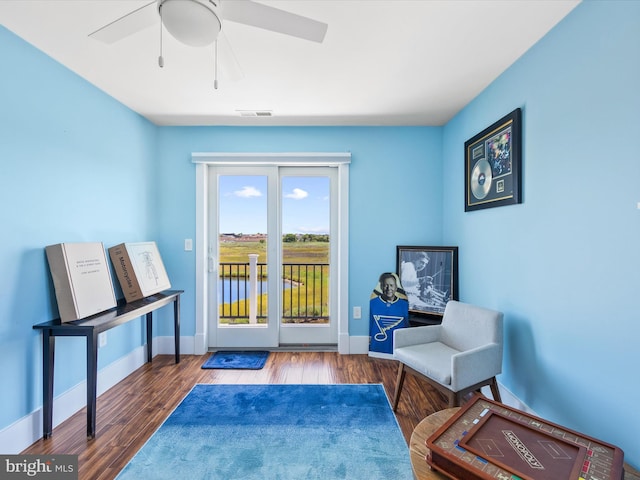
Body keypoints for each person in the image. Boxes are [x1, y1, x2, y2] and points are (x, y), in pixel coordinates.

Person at [368, 272, 409, 359]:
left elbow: (407, 326)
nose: (388, 288)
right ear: (381, 287)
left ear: (396, 287)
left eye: (391, 285)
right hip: (376, 352)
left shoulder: (405, 304)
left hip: (397, 353)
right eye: (385, 285)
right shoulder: (372, 303)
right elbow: (370, 324)